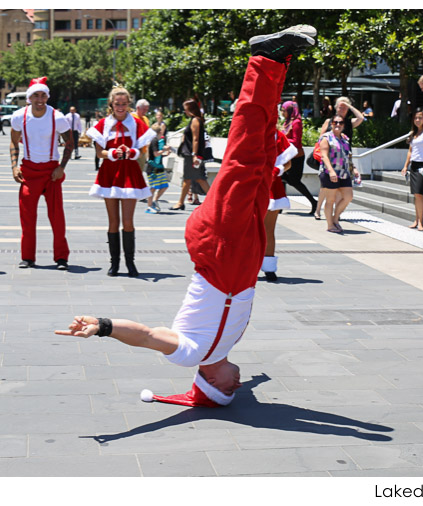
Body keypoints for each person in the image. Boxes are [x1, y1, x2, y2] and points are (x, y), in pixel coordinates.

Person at [58, 25, 316, 408]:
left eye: (230, 388)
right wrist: (255, 381)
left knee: (245, 157)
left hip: (219, 250)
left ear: (209, 380)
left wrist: (103, 327)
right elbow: (247, 378)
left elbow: (146, 336)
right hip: (243, 262)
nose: (238, 383)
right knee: (262, 157)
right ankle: (279, 61)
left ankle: (265, 58)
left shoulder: (191, 354)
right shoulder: (228, 347)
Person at [86, 86, 155, 277]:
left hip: (129, 173)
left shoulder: (137, 123)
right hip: (109, 173)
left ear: (129, 104)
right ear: (111, 104)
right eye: (117, 104)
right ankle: (114, 263)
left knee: (128, 221)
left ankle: (130, 264)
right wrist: (112, 153)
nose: (121, 107)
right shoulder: (102, 124)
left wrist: (131, 152)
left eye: (124, 104)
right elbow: (100, 153)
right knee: (113, 222)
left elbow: (142, 150)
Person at [10, 77, 74, 271]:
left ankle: (61, 257)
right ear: (29, 97)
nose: (39, 99)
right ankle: (28, 257)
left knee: (57, 217)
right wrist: (14, 166)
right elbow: (13, 142)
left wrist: (61, 167)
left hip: (51, 171)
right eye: (35, 95)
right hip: (29, 171)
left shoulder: (57, 117)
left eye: (43, 95)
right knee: (27, 217)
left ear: (47, 96)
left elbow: (70, 143)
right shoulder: (19, 116)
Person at [314, 96, 364, 220]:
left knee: (339, 191)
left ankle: (334, 216)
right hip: (329, 158)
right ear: (336, 108)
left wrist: (350, 106)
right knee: (325, 188)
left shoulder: (348, 123)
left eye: (344, 107)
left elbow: (361, 118)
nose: (342, 109)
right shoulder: (330, 121)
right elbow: (321, 139)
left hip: (344, 160)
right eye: (340, 107)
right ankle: (318, 210)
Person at [262, 128, 297, 282]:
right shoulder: (248, 131)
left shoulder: (278, 135)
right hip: (250, 185)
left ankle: (269, 268)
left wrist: (277, 170)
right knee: (248, 229)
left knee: (269, 229)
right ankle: (246, 266)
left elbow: (288, 162)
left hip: (271, 186)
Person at [318, 113, 358, 234]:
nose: (338, 125)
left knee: (348, 196)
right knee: (330, 200)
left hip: (344, 172)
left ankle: (335, 218)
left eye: (341, 123)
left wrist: (354, 169)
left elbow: (348, 156)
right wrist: (331, 171)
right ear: (331, 124)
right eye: (335, 122)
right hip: (329, 172)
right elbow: (324, 156)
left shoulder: (345, 138)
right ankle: (330, 224)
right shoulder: (326, 137)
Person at [170, 98, 211, 211]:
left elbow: (195, 139)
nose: (185, 112)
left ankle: (214, 202)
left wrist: (194, 155)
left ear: (190, 110)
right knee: (189, 179)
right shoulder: (196, 120)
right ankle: (180, 202)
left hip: (192, 155)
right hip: (191, 155)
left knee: (199, 179)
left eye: (185, 110)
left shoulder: (195, 121)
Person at [279, 100, 316, 215]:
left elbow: (296, 141)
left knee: (294, 181)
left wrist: (282, 139)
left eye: (284, 111)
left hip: (296, 157)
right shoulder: (287, 122)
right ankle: (280, 204)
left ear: (290, 111)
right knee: (281, 179)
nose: (282, 113)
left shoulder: (296, 122)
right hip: (286, 156)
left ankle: (313, 202)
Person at [145, 123, 170, 214]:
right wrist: (164, 150)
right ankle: (149, 206)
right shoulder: (154, 141)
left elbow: (157, 156)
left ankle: (155, 201)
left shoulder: (159, 141)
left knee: (164, 186)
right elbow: (155, 154)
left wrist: (164, 153)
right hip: (152, 169)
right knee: (153, 188)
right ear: (159, 132)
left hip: (159, 167)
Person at [132, 99, 151, 173]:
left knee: (139, 174)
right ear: (138, 108)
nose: (145, 111)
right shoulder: (131, 117)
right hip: (133, 150)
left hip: (143, 151)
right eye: (144, 109)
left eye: (147, 109)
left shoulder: (146, 119)